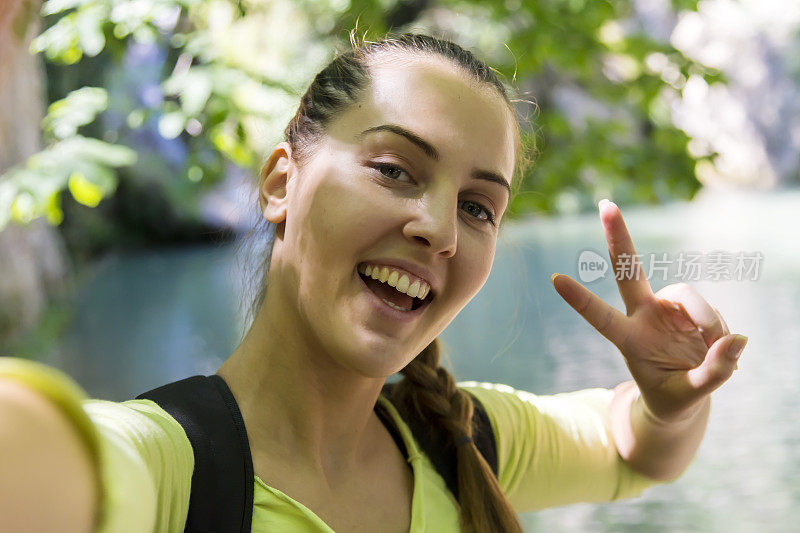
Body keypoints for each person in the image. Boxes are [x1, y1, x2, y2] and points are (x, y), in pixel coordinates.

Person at [0, 32, 747, 533]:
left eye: (478, 206)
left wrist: (668, 400)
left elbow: (636, 450)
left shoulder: (464, 441)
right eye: (394, 169)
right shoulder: (170, 470)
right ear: (279, 183)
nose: (442, 231)